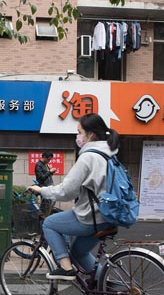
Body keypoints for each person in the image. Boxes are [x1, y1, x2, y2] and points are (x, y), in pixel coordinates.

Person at [28, 113, 119, 281]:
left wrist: (42, 191)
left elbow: (67, 191)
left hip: (92, 217)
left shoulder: (89, 157)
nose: (77, 136)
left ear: (90, 134)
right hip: (109, 215)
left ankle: (66, 268)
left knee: (49, 224)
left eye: (79, 132)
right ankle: (107, 286)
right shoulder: (110, 154)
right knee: (79, 252)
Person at [34, 151, 58, 216]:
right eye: (48, 159)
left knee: (51, 202)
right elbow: (41, 178)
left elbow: (47, 175)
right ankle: (42, 217)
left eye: (50, 159)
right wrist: (50, 172)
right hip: (43, 187)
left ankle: (44, 216)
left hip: (48, 186)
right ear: (44, 157)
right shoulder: (38, 165)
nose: (49, 161)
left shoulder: (45, 164)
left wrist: (51, 172)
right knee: (46, 204)